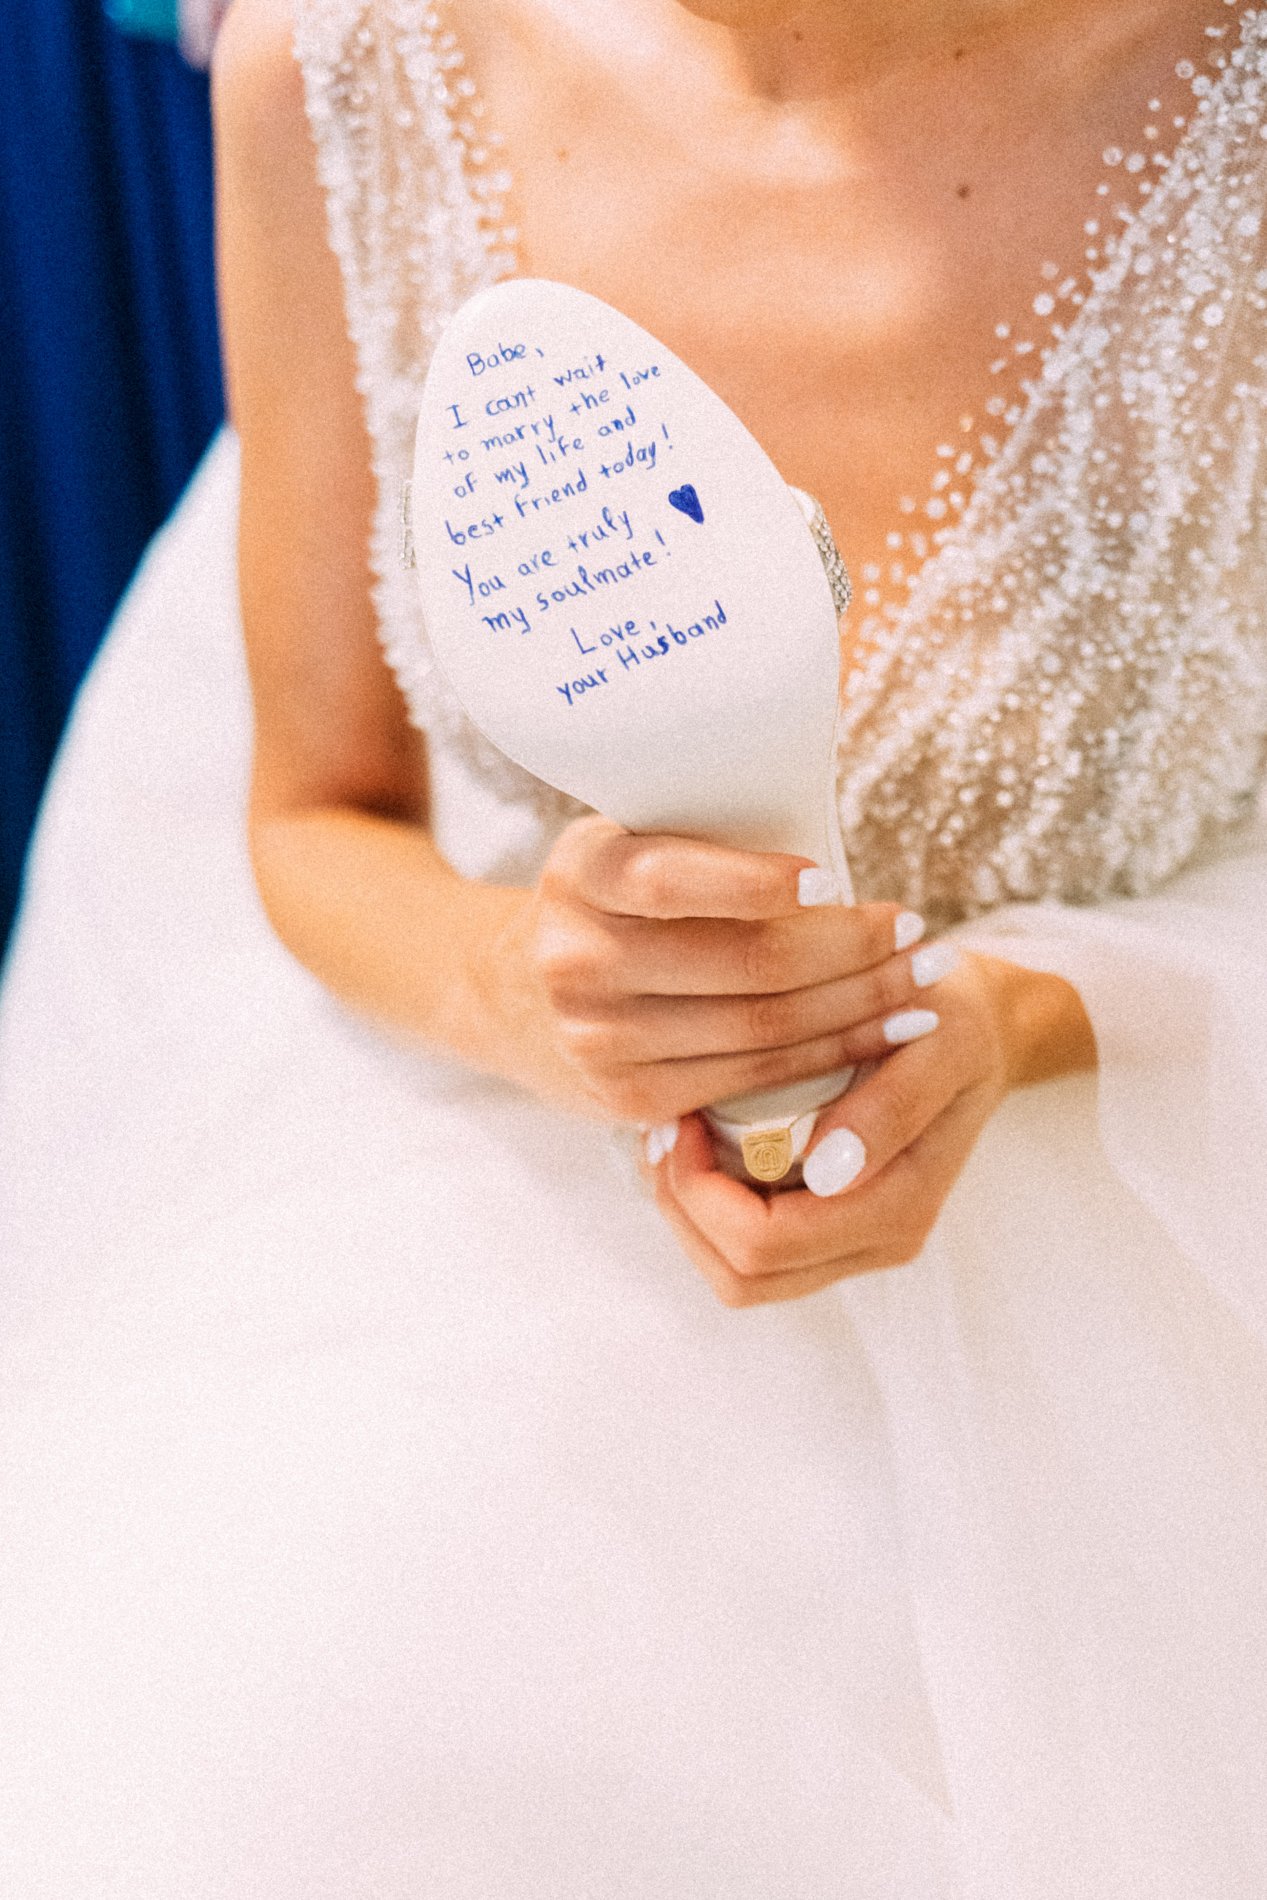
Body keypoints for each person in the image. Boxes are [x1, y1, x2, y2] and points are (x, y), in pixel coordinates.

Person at [3, 0, 1267, 1891]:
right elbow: (309, 809)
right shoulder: (347, 67)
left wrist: (1012, 1019)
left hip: (1174, 1122)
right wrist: (523, 987)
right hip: (511, 1186)